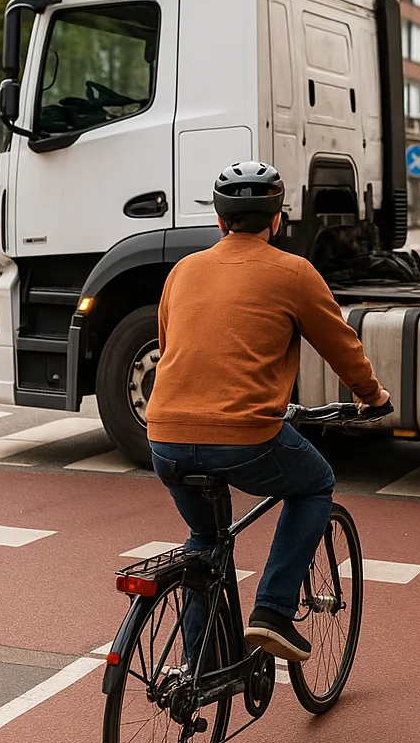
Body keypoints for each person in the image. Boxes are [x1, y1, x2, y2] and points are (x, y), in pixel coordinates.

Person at [146, 161, 390, 663]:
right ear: (277, 220)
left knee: (204, 538)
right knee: (315, 483)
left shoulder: (182, 271)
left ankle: (198, 672)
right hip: (244, 437)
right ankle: (274, 611)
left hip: (165, 436)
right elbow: (341, 347)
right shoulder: (293, 272)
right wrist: (372, 396)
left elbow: (171, 348)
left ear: (220, 221)